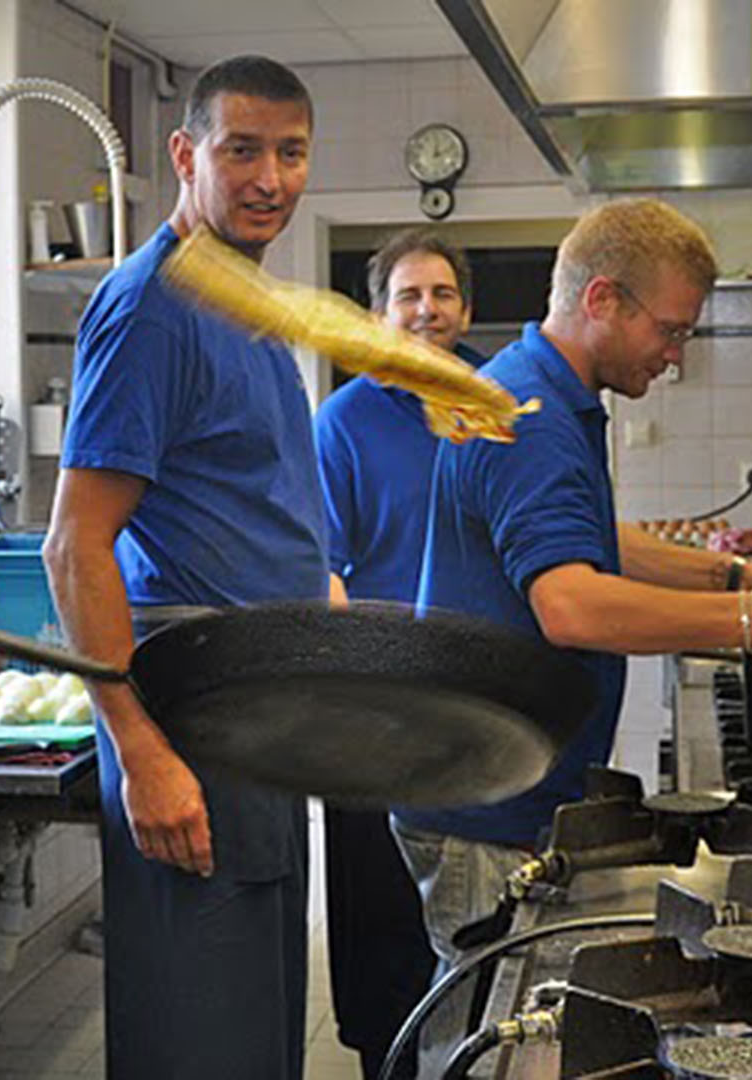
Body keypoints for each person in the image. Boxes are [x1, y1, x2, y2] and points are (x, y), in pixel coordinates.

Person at [396, 199, 752, 1077]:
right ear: (605, 299)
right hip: (485, 798)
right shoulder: (532, 416)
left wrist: (733, 575)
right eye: (672, 329)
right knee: (477, 1036)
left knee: (488, 1024)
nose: (675, 354)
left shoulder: (546, 392)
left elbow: (588, 538)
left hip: (500, 778)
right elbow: (572, 605)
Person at [43, 55, 328, 1080]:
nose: (268, 177)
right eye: (240, 149)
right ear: (185, 154)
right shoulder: (152, 306)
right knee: (201, 1038)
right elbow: (74, 545)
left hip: (262, 712)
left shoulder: (243, 301)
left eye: (290, 153)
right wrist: (143, 750)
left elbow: (255, 507)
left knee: (253, 1032)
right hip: (190, 719)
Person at [312, 228, 482, 1080]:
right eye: (408, 295)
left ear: (466, 309)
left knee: (476, 911)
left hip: (478, 703)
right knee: (381, 917)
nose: (426, 310)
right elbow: (321, 573)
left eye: (441, 293)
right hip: (374, 710)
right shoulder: (342, 423)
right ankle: (389, 1059)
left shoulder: (492, 407)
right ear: (378, 315)